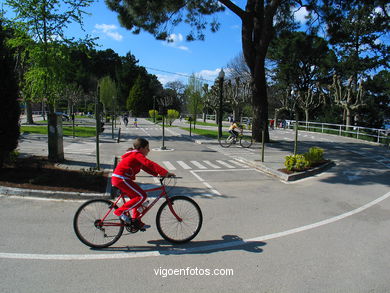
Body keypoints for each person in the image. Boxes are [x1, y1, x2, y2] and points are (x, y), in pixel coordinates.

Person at [112, 138, 175, 229]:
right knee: (141, 196)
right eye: (147, 148)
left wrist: (157, 174)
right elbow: (149, 163)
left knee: (136, 199)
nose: (148, 150)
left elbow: (145, 167)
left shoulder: (136, 155)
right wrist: (164, 173)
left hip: (122, 179)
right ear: (141, 148)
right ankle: (119, 211)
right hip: (121, 179)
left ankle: (136, 222)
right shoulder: (136, 154)